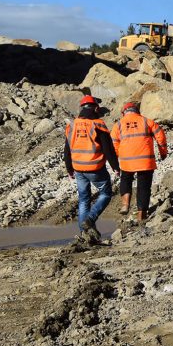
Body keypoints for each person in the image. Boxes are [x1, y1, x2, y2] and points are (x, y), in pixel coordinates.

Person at [63, 95, 119, 243]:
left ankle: (84, 234)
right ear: (95, 108)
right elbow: (108, 149)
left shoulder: (72, 126)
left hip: (78, 168)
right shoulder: (98, 124)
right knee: (106, 194)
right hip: (95, 167)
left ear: (82, 108)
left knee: (83, 200)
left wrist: (69, 169)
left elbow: (67, 150)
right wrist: (115, 167)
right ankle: (90, 219)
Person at [111, 101, 168, 222]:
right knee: (144, 186)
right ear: (137, 111)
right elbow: (160, 136)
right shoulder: (147, 121)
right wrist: (163, 152)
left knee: (125, 179)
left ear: (124, 113)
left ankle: (125, 205)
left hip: (127, 161)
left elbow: (114, 143)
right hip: (145, 161)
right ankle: (141, 215)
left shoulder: (119, 125)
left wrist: (115, 160)